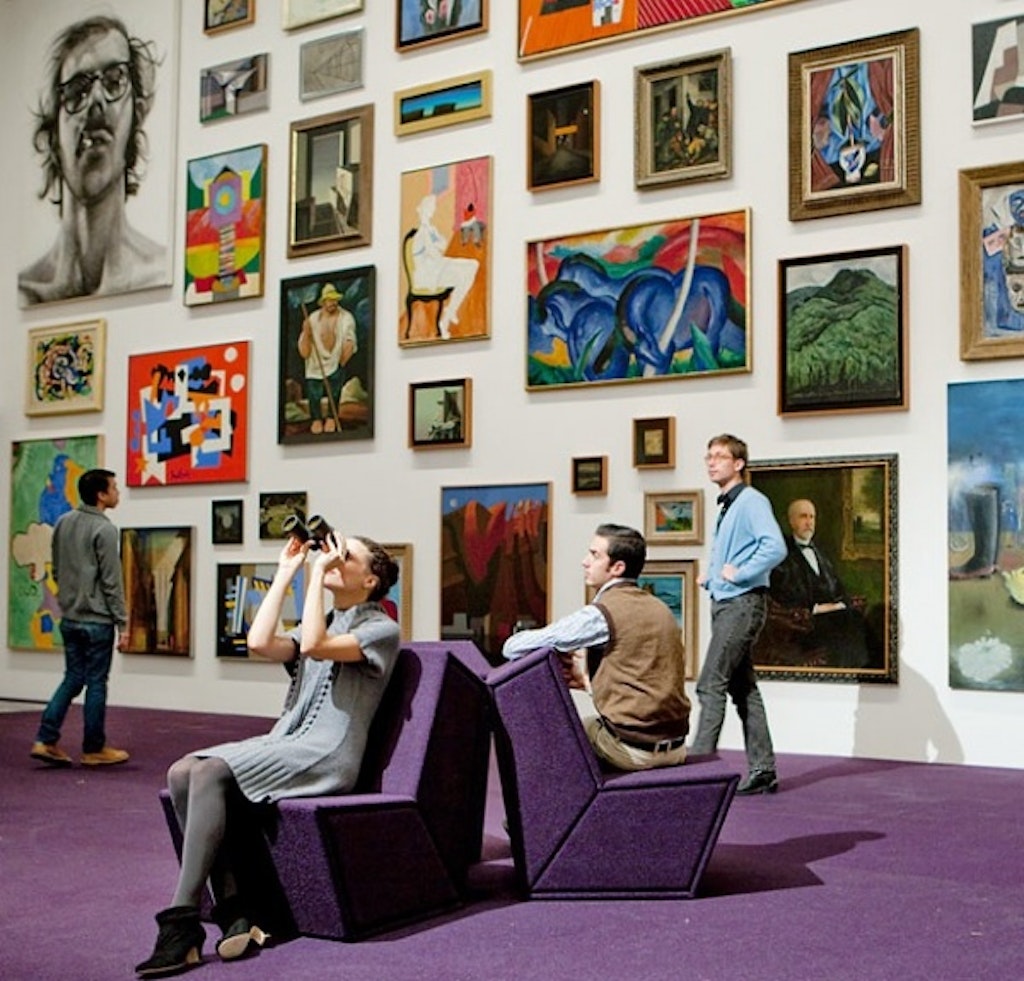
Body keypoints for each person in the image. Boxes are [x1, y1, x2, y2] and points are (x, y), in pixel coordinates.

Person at [136, 530, 400, 978]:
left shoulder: (381, 630)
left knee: (212, 772)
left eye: (345, 555)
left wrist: (317, 575)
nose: (332, 558)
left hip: (327, 753)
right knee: (182, 771)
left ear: (371, 580)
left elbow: (315, 645)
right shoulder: (324, 621)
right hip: (287, 739)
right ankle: (234, 909)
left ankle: (181, 925)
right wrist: (286, 573)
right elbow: (260, 642)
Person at [503, 523, 690, 772]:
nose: (585, 562)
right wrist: (588, 683)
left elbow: (513, 648)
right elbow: (648, 687)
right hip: (675, 747)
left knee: (548, 739)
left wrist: (519, 642)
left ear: (617, 568)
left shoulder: (601, 615)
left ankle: (539, 811)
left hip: (634, 750)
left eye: (594, 555)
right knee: (588, 726)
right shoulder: (660, 609)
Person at [18, 15, 167, 306]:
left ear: (135, 115)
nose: (96, 99)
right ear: (52, 137)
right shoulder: (26, 291)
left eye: (115, 81)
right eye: (77, 90)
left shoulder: (158, 273)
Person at [690, 435, 787, 795]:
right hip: (729, 602)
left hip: (742, 604)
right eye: (708, 456)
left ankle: (697, 773)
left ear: (739, 463)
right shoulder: (730, 505)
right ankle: (763, 770)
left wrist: (740, 572)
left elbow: (774, 546)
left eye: (719, 456)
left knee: (709, 683)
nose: (711, 462)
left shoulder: (750, 501)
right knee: (743, 688)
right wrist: (713, 577)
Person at [30, 469, 130, 768]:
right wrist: (123, 623)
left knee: (73, 678)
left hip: (70, 617)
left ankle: (46, 738)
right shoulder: (105, 530)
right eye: (113, 487)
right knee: (97, 682)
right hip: (97, 620)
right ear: (101, 495)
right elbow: (112, 582)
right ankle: (93, 748)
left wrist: (67, 600)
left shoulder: (63, 522)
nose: (117, 492)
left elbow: (57, 569)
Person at [767, 499, 872, 669]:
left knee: (855, 620)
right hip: (801, 628)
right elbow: (783, 597)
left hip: (832, 619)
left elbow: (839, 588)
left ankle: (859, 677)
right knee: (849, 622)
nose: (809, 523)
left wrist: (840, 604)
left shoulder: (820, 554)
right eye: (803, 517)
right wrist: (816, 609)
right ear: (791, 521)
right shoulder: (781, 556)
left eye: (812, 517)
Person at [410, 193, 479, 337]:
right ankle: (446, 319)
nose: (432, 210)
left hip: (437, 266)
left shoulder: (431, 229)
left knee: (473, 265)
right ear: (422, 209)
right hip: (428, 274)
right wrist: (436, 247)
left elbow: (443, 244)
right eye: (430, 207)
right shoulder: (422, 232)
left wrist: (436, 246)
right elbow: (436, 252)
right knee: (463, 276)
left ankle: (450, 311)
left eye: (432, 208)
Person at [298, 283, 356, 435]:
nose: (333, 303)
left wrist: (342, 361)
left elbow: (350, 340)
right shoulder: (312, 318)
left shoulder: (346, 318)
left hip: (336, 360)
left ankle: (331, 417)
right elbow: (304, 350)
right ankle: (316, 419)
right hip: (315, 363)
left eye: (335, 299)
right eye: (329, 300)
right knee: (314, 393)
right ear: (323, 302)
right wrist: (306, 332)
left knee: (335, 391)